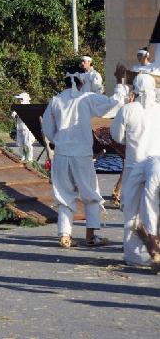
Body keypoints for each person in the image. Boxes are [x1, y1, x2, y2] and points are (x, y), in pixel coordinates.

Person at [42, 66, 127, 247]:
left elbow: (47, 129)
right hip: (82, 155)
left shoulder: (56, 100)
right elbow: (115, 102)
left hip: (62, 155)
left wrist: (57, 140)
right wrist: (120, 82)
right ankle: (90, 236)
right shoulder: (87, 98)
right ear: (82, 82)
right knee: (91, 194)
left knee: (64, 196)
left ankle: (65, 235)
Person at [110, 73, 160, 265]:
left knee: (131, 211)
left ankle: (134, 256)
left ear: (135, 89)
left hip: (134, 164)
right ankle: (153, 249)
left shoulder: (128, 109)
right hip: (157, 164)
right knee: (152, 207)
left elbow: (116, 136)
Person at [11, 92, 36, 163]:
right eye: (19, 99)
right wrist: (17, 115)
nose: (20, 100)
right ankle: (23, 156)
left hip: (28, 129)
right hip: (19, 127)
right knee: (20, 144)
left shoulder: (30, 107)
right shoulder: (18, 107)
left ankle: (30, 158)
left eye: (21, 99)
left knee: (27, 144)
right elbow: (13, 114)